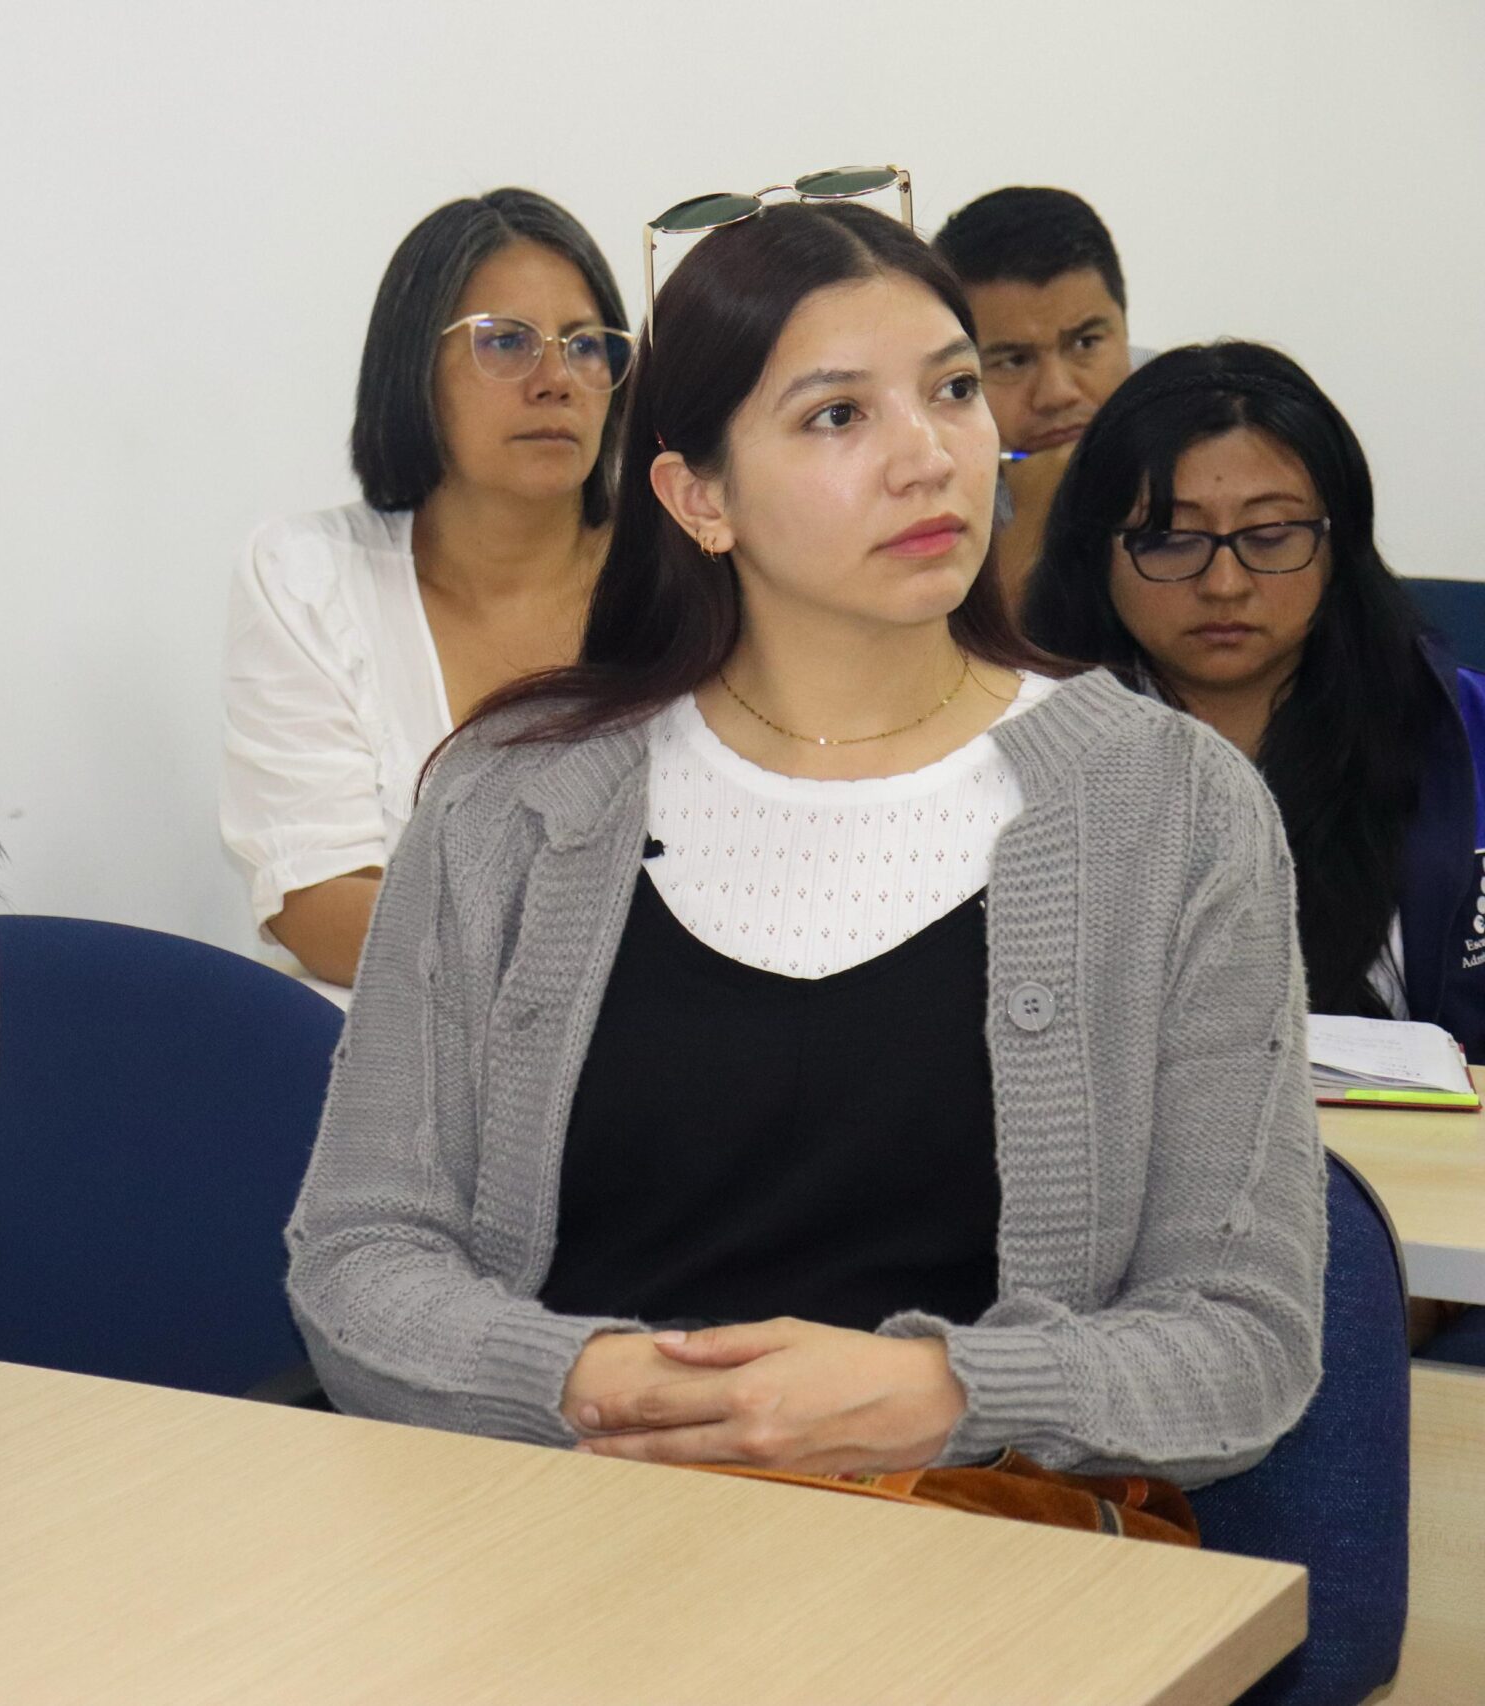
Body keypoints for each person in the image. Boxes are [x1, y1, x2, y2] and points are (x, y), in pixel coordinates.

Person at [285, 196, 1323, 1489]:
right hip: (562, 1520)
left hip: (969, 1549)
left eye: (952, 390)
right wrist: (606, 1385)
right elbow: (360, 1254)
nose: (926, 457)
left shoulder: (1175, 807)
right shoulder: (511, 798)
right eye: (838, 415)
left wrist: (942, 1395)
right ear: (697, 495)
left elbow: (1243, 1338)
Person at [221, 188, 633, 990]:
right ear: (414, 370)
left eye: (586, 346)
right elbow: (319, 908)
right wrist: (577, 965)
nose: (556, 379)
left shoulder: (688, 574)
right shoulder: (309, 578)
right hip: (411, 1046)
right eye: (506, 342)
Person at [1026, 340, 1485, 1051]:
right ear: (1095, 554)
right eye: (1169, 539)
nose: (1225, 585)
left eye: (1270, 536)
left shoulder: (1465, 735)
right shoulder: (1016, 749)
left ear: (1340, 546)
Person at [933, 187, 1140, 612]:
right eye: (1014, 361)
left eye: (1085, 343)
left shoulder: (1202, 419)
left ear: (1124, 327)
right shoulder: (926, 470)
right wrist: (1031, 525)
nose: (1057, 394)